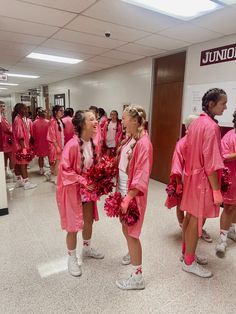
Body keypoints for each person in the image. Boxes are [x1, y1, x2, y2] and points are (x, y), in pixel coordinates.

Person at [181, 88, 227, 278]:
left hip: (192, 177)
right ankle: (189, 262)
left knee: (190, 218)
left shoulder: (196, 123)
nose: (225, 107)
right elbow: (211, 161)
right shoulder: (211, 126)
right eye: (223, 103)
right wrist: (216, 189)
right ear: (211, 104)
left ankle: (186, 253)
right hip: (202, 181)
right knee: (196, 220)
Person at [56, 110, 104, 277]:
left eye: (95, 118)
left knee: (88, 221)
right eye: (92, 119)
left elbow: (94, 165)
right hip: (72, 190)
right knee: (73, 226)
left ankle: (87, 247)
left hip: (87, 190)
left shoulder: (93, 142)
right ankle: (71, 258)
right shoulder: (72, 145)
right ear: (82, 124)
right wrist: (83, 181)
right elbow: (64, 170)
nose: (96, 121)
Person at [115, 105, 153, 290]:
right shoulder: (131, 138)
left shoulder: (144, 143)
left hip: (133, 193)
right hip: (123, 188)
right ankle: (132, 253)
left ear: (136, 120)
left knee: (132, 232)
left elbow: (141, 174)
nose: (122, 122)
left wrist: (128, 198)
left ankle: (137, 277)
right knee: (125, 227)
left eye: (124, 119)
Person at [168, 114, 212, 242]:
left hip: (201, 179)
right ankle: (184, 227)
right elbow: (176, 164)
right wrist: (178, 183)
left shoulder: (201, 141)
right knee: (181, 203)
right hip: (184, 178)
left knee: (201, 204)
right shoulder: (182, 143)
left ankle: (197, 228)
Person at [215, 110, 236, 257]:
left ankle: (232, 229)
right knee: (229, 207)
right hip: (232, 178)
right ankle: (222, 239)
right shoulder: (230, 136)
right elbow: (223, 157)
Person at [12, 103, 37, 190]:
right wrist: (24, 149)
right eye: (25, 109)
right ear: (20, 110)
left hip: (18, 146)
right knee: (23, 164)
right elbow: (20, 136)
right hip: (21, 146)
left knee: (18, 164)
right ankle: (26, 182)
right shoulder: (18, 120)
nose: (27, 110)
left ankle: (19, 180)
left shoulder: (18, 119)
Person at [45, 105, 65, 182]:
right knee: (57, 162)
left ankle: (49, 173)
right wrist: (57, 147)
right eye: (60, 110)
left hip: (60, 145)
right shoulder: (53, 122)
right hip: (55, 146)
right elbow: (52, 136)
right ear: (55, 112)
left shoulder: (59, 120)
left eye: (63, 110)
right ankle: (57, 180)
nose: (62, 112)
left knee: (56, 162)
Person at [0, 100, 15, 179]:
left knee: (5, 157)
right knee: (10, 157)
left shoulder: (2, 117)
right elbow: (6, 129)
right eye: (1, 106)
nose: (3, 108)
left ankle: (5, 172)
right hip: (5, 141)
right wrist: (13, 129)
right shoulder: (1, 118)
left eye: (3, 106)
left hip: (4, 141)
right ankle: (12, 172)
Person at [32, 108, 49, 175]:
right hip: (47, 142)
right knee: (49, 156)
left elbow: (32, 133)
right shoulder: (48, 122)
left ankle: (41, 169)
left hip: (38, 142)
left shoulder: (34, 123)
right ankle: (51, 169)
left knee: (40, 157)